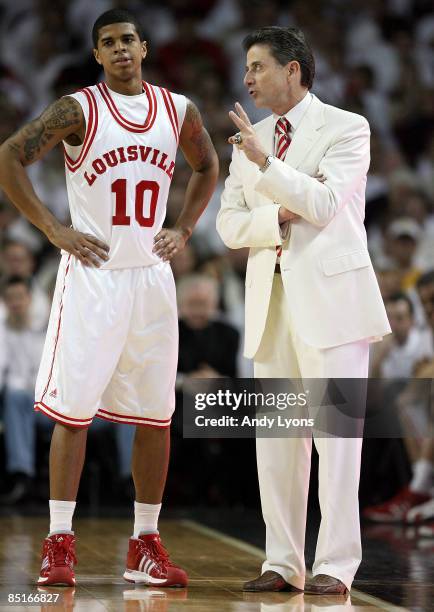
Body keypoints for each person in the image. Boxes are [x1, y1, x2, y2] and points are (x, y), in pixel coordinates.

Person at [0, 8, 218, 588]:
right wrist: (53, 229)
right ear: (97, 55)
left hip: (151, 277)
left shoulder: (179, 110)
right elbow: (9, 157)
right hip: (93, 276)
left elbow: (207, 164)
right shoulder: (78, 108)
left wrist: (186, 227)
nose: (120, 49)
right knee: (75, 412)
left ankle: (144, 544)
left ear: (144, 47)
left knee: (157, 414)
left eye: (128, 40)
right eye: (108, 43)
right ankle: (58, 541)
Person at [217, 26, 391, 595]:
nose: (247, 78)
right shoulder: (249, 138)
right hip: (272, 304)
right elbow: (227, 225)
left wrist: (268, 168)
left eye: (258, 66)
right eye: (246, 67)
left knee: (336, 444)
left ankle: (336, 566)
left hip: (335, 305)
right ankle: (283, 562)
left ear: (293, 70)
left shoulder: (347, 127)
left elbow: (322, 202)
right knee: (277, 443)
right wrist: (277, 215)